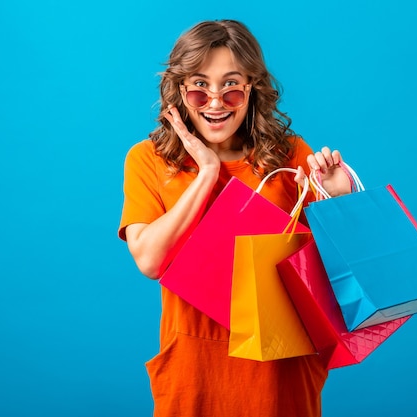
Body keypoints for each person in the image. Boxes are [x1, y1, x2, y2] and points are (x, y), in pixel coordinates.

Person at [118, 19, 352, 417]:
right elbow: (150, 260)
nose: (214, 102)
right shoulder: (148, 159)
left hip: (281, 369)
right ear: (179, 91)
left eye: (230, 87)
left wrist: (336, 195)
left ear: (251, 90)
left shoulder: (290, 155)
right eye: (199, 87)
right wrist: (207, 173)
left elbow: (336, 270)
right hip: (195, 368)